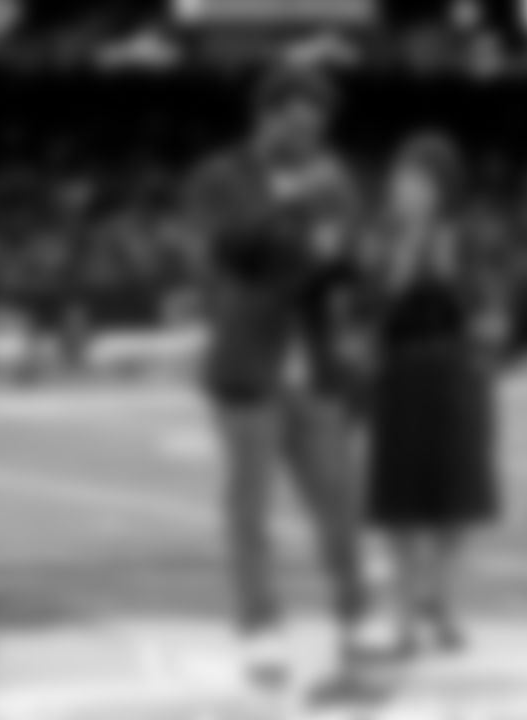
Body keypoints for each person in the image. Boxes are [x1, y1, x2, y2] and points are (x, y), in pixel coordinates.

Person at [184, 66, 372, 685]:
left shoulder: (334, 180)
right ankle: (259, 627)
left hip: (313, 362)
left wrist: (349, 256)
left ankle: (356, 613)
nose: (311, 135)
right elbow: (231, 249)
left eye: (319, 125)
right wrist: (292, 202)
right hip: (248, 362)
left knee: (338, 500)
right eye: (297, 122)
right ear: (266, 116)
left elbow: (341, 269)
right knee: (251, 506)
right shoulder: (222, 176)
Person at [358, 132, 505, 657]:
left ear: (441, 188)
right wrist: (398, 267)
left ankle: (444, 605)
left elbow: (489, 311)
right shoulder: (381, 238)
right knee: (401, 505)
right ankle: (403, 616)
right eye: (401, 179)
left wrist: (452, 275)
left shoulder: (467, 237)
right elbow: (366, 309)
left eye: (417, 181)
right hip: (399, 376)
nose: (405, 190)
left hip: (454, 375)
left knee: (454, 502)